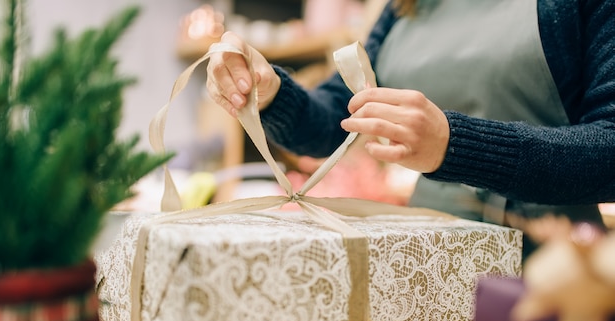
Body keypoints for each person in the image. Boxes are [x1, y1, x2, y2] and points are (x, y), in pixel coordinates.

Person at [206, 0, 615, 255]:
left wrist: (454, 145)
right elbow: (337, 116)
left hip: (554, 268)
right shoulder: (405, 5)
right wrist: (272, 93)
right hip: (426, 261)